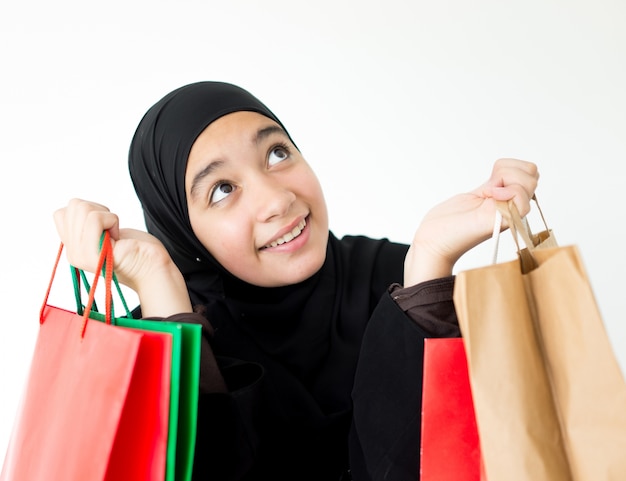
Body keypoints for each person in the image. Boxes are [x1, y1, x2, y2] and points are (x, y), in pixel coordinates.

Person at [53, 81, 539, 481]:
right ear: (182, 229)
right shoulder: (170, 335)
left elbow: (462, 458)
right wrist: (161, 289)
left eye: (277, 153)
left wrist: (430, 265)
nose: (276, 199)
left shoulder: (395, 278)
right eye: (222, 189)